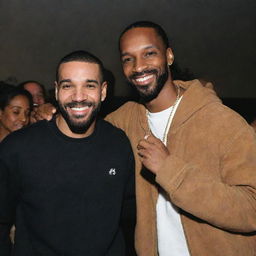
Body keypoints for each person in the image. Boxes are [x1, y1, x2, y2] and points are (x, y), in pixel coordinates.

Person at [32, 21, 256, 255]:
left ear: (169, 56)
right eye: (128, 58)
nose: (138, 67)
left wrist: (170, 170)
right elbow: (84, 131)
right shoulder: (124, 121)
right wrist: (52, 113)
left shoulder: (222, 121)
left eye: (149, 53)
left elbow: (252, 208)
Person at [0, 50, 135, 255]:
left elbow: (129, 210)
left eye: (89, 85)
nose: (78, 97)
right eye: (68, 85)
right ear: (56, 91)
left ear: (103, 91)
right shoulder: (17, 148)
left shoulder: (119, 143)